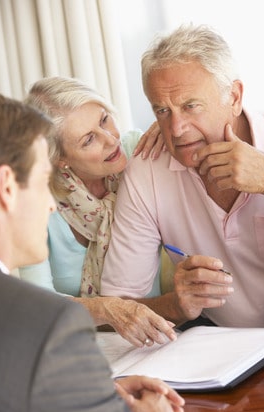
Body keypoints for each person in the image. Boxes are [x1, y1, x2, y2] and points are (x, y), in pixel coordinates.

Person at [0, 91, 195, 412]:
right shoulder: (45, 324)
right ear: (5, 186)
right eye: (40, 180)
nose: (50, 204)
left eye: (105, 122)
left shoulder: (135, 151)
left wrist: (81, 394)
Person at [100, 23, 264, 329]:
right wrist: (176, 305)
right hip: (228, 352)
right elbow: (118, 306)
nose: (177, 130)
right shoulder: (148, 169)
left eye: (190, 106)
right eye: (162, 111)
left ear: (234, 97)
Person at [19, 76, 176, 347]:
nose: (110, 138)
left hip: (160, 334)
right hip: (80, 345)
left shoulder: (139, 149)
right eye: (88, 139)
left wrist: (169, 127)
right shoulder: (35, 203)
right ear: (60, 159)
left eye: (104, 119)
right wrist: (106, 309)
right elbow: (37, 305)